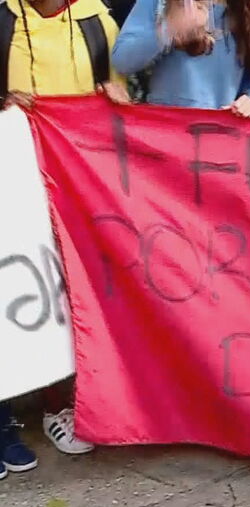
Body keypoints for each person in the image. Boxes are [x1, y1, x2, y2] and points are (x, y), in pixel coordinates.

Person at [1, 0, 131, 464]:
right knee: (37, 288)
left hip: (84, 178)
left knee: (81, 286)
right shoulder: (5, 19)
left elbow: (127, 81)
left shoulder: (100, 18)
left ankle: (76, 400)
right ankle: (40, 402)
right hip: (19, 179)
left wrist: (121, 92)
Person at [112, 0, 250, 116]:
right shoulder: (158, 3)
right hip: (166, 136)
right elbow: (122, 61)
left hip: (220, 138)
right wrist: (169, 31)